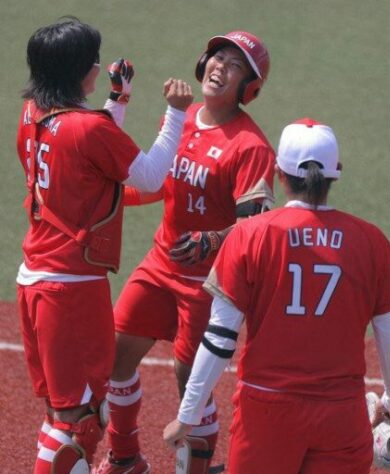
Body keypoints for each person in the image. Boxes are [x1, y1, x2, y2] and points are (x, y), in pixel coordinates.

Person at [163, 118, 390, 474]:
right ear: (336, 173)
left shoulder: (248, 235)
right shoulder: (370, 240)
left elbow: (220, 337)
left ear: (279, 172)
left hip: (266, 412)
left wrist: (187, 416)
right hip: (341, 416)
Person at [16, 17, 192, 474]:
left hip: (35, 279)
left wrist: (118, 99)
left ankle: (125, 461)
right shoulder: (88, 129)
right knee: (79, 420)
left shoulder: (34, 114)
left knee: (62, 412)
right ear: (83, 70)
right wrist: (176, 114)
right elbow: (150, 174)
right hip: (70, 289)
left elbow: (91, 149)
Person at [95, 31, 275, 474]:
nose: (220, 67)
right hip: (159, 265)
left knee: (188, 380)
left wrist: (213, 240)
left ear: (248, 87)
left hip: (209, 284)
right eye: (217, 56)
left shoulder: (251, 148)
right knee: (116, 355)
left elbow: (256, 229)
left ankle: (197, 467)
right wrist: (113, 196)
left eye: (234, 65)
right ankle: (124, 456)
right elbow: (159, 183)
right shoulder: (187, 116)